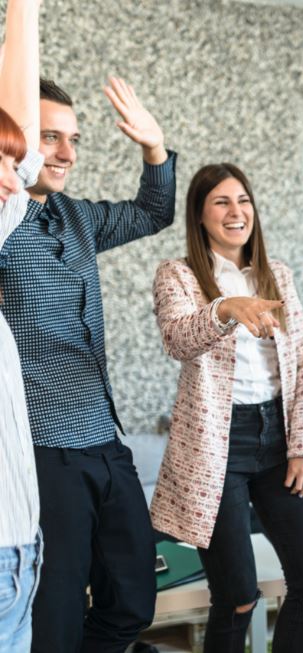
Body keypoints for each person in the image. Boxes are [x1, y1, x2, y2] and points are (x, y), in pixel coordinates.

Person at [0, 71, 176, 651]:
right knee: (53, 614)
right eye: (51, 137)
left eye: (73, 139)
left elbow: (153, 211)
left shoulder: (78, 219)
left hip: (104, 438)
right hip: (42, 450)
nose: (67, 153)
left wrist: (153, 146)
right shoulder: (2, 226)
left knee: (132, 600)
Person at [152, 163, 303, 653]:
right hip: (218, 447)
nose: (237, 212)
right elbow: (178, 338)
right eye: (222, 202)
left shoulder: (275, 274)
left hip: (279, 438)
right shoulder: (180, 274)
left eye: (244, 201)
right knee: (236, 597)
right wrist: (226, 309)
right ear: (200, 214)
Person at [0, 1, 43, 650]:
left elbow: (27, 156)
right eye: (2, 165)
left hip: (19, 549)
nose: (17, 182)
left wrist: (23, 9)